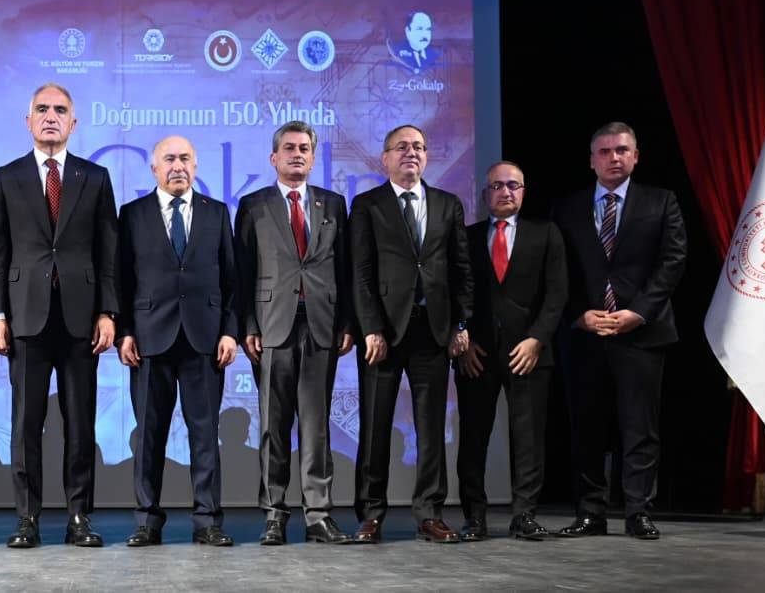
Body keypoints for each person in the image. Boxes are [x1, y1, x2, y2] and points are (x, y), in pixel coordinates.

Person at [0, 83, 118, 549]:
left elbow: (108, 252)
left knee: (80, 424)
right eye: (42, 109)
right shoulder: (6, 177)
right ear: (28, 121)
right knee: (26, 424)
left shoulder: (94, 177)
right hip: (25, 317)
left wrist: (108, 312)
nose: (51, 116)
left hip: (82, 320)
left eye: (60, 110)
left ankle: (79, 516)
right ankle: (27, 518)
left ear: (73, 123)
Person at [552, 122, 687, 541]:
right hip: (585, 335)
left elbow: (673, 262)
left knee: (639, 428)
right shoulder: (566, 208)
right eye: (605, 151)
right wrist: (578, 316)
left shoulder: (661, 201)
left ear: (636, 156)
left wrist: (638, 312)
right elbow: (556, 272)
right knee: (587, 427)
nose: (614, 158)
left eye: (622, 150)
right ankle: (590, 513)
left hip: (642, 334)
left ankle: (638, 512)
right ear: (591, 160)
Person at [350, 123, 472, 544]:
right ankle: (371, 514)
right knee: (375, 427)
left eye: (418, 146)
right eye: (401, 147)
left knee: (431, 428)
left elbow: (461, 270)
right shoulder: (367, 205)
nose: (411, 153)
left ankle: (429, 514)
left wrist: (461, 323)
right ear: (385, 158)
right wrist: (370, 328)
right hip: (383, 334)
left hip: (433, 331)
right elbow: (361, 273)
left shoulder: (447, 204)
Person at [233, 120, 353, 546]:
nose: (297, 154)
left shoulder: (333, 204)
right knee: (273, 425)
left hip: (321, 325)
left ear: (313, 158)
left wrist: (346, 324)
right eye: (289, 147)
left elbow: (345, 268)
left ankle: (318, 515)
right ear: (274, 157)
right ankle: (274, 514)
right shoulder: (253, 205)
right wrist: (248, 325)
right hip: (272, 326)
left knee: (317, 426)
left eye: (304, 148)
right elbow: (242, 271)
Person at [117, 135, 238, 548]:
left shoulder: (216, 213)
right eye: (169, 159)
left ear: (196, 165)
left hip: (205, 340)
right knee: (148, 436)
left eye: (185, 158)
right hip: (149, 340)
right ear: (154, 168)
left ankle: (208, 521)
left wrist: (229, 331)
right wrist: (125, 331)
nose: (177, 166)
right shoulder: (132, 214)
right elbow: (121, 278)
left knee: (205, 436)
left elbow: (231, 280)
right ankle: (147, 522)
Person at [453, 161, 566, 542]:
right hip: (477, 355)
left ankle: (525, 516)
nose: (505, 192)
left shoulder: (545, 233)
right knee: (473, 439)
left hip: (529, 352)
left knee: (529, 439)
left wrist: (537, 339)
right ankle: (474, 518)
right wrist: (463, 340)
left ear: (524, 192)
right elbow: (452, 292)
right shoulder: (466, 237)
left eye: (513, 185)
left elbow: (557, 294)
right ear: (485, 194)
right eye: (497, 186)